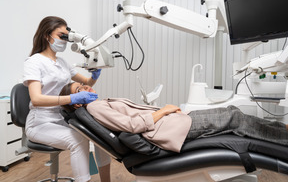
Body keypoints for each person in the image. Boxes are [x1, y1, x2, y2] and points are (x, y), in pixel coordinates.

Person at [60, 82, 288, 153]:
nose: (87, 85)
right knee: (235, 119)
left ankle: (283, 130)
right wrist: (165, 110)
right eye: (80, 87)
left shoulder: (99, 103)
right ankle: (283, 139)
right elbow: (131, 126)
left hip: (173, 121)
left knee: (234, 114)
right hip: (168, 129)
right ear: (77, 101)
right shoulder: (95, 109)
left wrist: (168, 111)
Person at [23, 16, 110, 182]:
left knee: (100, 135)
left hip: (62, 118)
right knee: (77, 140)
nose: (65, 40)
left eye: (66, 36)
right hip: (40, 122)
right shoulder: (34, 62)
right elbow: (36, 99)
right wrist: (72, 98)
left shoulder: (62, 62)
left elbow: (87, 82)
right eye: (60, 35)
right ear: (46, 36)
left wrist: (95, 74)